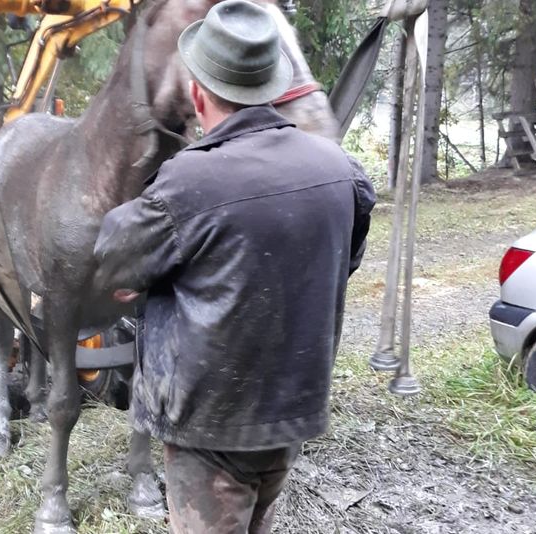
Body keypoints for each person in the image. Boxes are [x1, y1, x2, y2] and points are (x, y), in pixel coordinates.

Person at [93, 1, 376, 532]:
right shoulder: (341, 170)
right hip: (289, 419)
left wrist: (148, 279)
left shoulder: (188, 183)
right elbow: (343, 261)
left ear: (198, 93)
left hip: (210, 430)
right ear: (272, 87)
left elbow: (113, 261)